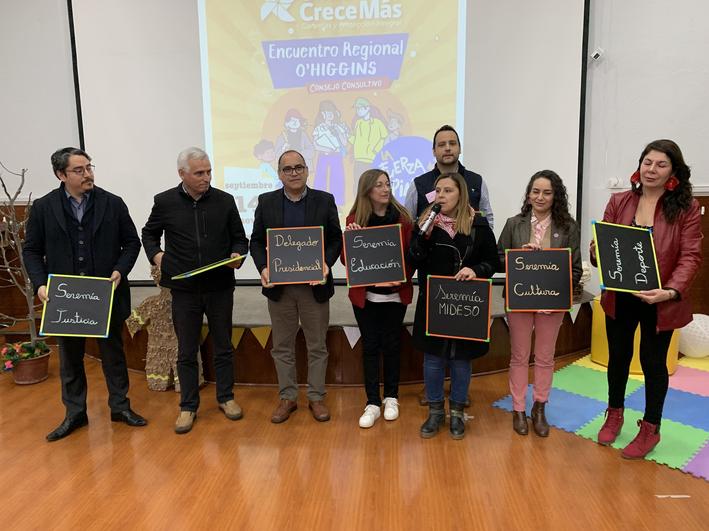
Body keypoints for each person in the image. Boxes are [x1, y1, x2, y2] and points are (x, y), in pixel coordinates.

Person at [23, 147, 147, 441]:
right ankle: (75, 413)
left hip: (105, 293)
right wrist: (40, 284)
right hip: (64, 297)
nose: (88, 174)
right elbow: (31, 250)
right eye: (79, 170)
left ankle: (120, 407)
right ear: (61, 174)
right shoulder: (43, 207)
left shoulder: (112, 203)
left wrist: (120, 270)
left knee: (113, 354)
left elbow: (132, 243)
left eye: (89, 167)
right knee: (70, 359)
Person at [592, 139, 702, 459]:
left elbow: (691, 256)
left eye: (661, 164)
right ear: (639, 165)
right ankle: (614, 413)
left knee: (653, 364)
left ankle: (651, 428)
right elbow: (604, 248)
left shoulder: (686, 208)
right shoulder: (619, 201)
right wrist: (597, 250)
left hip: (660, 300)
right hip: (621, 297)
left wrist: (670, 291)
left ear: (673, 171)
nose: (651, 169)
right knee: (618, 357)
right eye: (647, 162)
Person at [141, 147, 249, 434]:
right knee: (186, 349)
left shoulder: (225, 201)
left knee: (223, 345)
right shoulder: (164, 201)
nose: (206, 178)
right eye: (199, 173)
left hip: (219, 287)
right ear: (182, 174)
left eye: (209, 171)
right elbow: (148, 233)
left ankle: (226, 398)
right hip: (184, 289)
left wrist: (237, 254)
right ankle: (188, 406)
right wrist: (157, 256)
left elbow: (240, 239)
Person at [250, 149, 342, 423]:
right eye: (288, 169)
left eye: (299, 167)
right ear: (279, 174)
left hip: (315, 287)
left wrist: (326, 264)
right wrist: (263, 268)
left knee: (317, 345)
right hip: (280, 288)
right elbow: (256, 242)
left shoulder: (324, 200)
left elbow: (335, 239)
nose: (294, 173)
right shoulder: (266, 202)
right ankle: (288, 397)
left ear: (307, 170)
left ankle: (316, 397)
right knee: (282, 346)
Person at [409, 172, 500, 439]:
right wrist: (422, 236)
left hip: (465, 304)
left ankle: (457, 412)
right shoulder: (426, 223)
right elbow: (413, 259)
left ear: (461, 194)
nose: (441, 196)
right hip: (434, 302)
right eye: (438, 191)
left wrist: (476, 270)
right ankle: (436, 411)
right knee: (433, 359)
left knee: (461, 360)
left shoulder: (477, 224)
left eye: (448, 191)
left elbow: (493, 262)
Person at [497, 170, 582, 437]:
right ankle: (518, 409)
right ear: (528, 194)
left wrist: (556, 277)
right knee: (519, 356)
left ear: (556, 196)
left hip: (551, 303)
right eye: (535, 191)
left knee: (545, 357)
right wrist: (517, 256)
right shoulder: (514, 224)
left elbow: (576, 269)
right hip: (519, 299)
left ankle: (540, 407)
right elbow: (498, 258)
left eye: (547, 192)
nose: (540, 197)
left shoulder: (568, 226)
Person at [342, 169, 414, 428]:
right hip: (366, 297)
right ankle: (372, 401)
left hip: (395, 296)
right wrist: (351, 237)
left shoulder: (403, 220)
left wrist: (400, 278)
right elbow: (346, 261)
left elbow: (412, 257)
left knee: (392, 345)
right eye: (379, 185)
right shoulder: (355, 219)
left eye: (388, 184)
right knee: (370, 346)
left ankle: (391, 397)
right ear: (367, 191)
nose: (385, 189)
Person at [404, 124, 494, 230]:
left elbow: (487, 218)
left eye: (452, 143)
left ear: (460, 149)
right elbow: (408, 223)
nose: (447, 148)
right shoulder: (418, 184)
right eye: (442, 145)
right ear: (434, 151)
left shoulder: (477, 181)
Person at [313, 100, 349, 207]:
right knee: (320, 179)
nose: (329, 114)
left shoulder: (338, 127)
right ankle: (319, 203)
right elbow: (315, 145)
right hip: (323, 155)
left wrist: (338, 131)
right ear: (322, 114)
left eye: (331, 112)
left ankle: (338, 203)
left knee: (337, 179)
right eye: (327, 112)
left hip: (336, 156)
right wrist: (326, 149)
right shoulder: (319, 128)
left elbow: (344, 143)